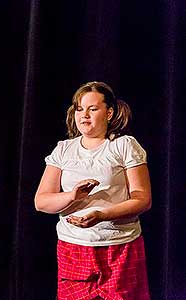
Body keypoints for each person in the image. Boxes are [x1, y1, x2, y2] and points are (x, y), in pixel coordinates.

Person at [34, 81, 151, 300]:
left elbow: (142, 199)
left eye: (92, 109)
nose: (84, 115)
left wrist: (102, 215)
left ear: (109, 113)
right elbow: (41, 202)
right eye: (80, 109)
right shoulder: (64, 149)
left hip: (119, 248)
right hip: (74, 249)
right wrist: (72, 196)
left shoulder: (124, 145)